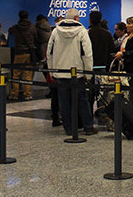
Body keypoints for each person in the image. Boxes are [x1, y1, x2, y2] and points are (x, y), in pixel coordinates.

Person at [46, 8, 95, 136]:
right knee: (82, 101)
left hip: (60, 72)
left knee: (64, 102)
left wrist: (51, 71)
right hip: (77, 73)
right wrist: (88, 73)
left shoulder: (55, 31)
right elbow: (87, 54)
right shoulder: (82, 31)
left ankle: (69, 128)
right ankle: (88, 126)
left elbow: (49, 52)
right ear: (76, 18)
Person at [7, 10, 37, 101]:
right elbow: (36, 39)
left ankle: (14, 94)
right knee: (28, 75)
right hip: (29, 54)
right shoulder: (32, 28)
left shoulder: (15, 28)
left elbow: (10, 33)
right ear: (27, 17)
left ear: (19, 17)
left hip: (18, 53)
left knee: (16, 75)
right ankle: (27, 94)